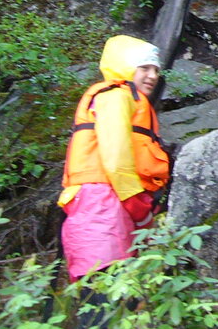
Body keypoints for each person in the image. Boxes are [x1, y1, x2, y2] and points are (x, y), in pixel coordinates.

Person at [59, 34, 172, 282]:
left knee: (121, 292)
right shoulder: (115, 96)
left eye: (155, 69)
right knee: (104, 288)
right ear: (124, 67)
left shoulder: (127, 99)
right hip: (101, 201)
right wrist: (137, 204)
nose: (153, 75)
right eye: (144, 68)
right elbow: (115, 153)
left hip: (111, 201)